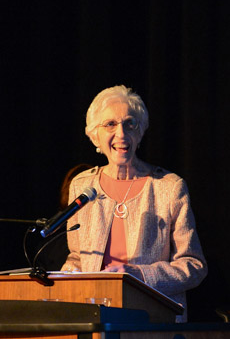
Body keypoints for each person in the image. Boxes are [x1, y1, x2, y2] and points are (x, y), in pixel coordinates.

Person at [61, 85, 207, 321]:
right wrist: (64, 278)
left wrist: (139, 275)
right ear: (94, 135)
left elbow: (193, 266)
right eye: (110, 124)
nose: (121, 134)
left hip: (154, 318)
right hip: (94, 316)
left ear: (140, 133)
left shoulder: (169, 187)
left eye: (130, 123)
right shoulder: (82, 186)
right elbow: (77, 257)